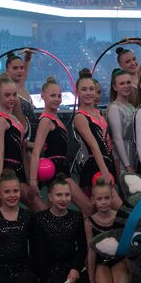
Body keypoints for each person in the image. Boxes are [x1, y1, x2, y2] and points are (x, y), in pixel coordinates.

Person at [30, 76, 91, 214]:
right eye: (53, 96)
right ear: (42, 96)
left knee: (55, 212)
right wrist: (33, 181)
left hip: (61, 169)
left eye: (59, 96)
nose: (57, 99)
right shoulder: (46, 120)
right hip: (56, 171)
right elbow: (36, 152)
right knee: (87, 206)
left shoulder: (54, 118)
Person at [34, 178, 93, 283]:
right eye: (59, 195)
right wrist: (45, 277)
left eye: (67, 195)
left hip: (71, 265)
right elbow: (39, 253)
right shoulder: (40, 219)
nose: (64, 199)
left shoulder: (76, 217)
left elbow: (82, 247)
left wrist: (75, 268)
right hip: (51, 268)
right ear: (50, 197)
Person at [0, 74, 45, 211]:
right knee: (40, 208)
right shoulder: (1, 120)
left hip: (20, 169)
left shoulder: (14, 118)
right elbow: (0, 154)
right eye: (7, 95)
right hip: (9, 171)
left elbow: (21, 146)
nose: (12, 98)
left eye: (14, 94)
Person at [73, 69, 121, 208]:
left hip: (106, 163)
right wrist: (104, 171)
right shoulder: (80, 117)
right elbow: (94, 146)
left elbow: (107, 142)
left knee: (102, 210)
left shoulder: (98, 113)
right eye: (84, 89)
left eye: (91, 89)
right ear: (77, 92)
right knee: (118, 208)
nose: (88, 93)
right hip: (95, 166)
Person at [85, 178, 130, 283]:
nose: (103, 202)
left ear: (112, 198)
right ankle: (101, 275)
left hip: (118, 260)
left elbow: (126, 245)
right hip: (101, 262)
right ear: (93, 200)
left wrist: (129, 269)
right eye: (99, 199)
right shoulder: (89, 222)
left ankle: (119, 274)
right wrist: (91, 276)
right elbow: (91, 250)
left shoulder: (120, 217)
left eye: (106, 198)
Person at [106, 69, 137, 174]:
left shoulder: (131, 106)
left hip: (134, 153)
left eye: (128, 82)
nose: (126, 86)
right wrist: (127, 165)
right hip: (122, 157)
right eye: (122, 83)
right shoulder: (114, 108)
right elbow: (117, 138)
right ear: (114, 87)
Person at [4, 50, 38, 145]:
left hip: (32, 139)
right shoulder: (8, 93)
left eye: (21, 68)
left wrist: (27, 58)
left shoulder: (21, 86)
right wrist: (26, 144)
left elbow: (24, 73)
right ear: (7, 71)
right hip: (20, 141)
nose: (19, 71)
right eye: (15, 68)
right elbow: (4, 120)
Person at [114, 39, 141, 107]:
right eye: (127, 62)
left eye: (134, 59)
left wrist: (135, 41)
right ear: (120, 65)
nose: (133, 63)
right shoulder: (124, 84)